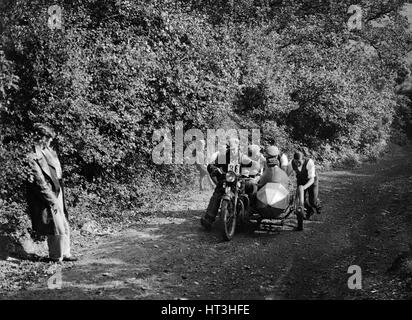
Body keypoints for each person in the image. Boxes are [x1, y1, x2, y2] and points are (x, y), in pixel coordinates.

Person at [26, 123, 77, 263]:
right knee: (55, 224)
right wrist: (51, 197)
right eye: (48, 137)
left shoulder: (48, 151)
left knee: (63, 221)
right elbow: (39, 181)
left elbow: (57, 171)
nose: (50, 140)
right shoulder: (32, 156)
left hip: (58, 189)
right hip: (48, 193)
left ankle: (66, 253)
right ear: (40, 137)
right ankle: (56, 256)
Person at [200, 137, 244, 230]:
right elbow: (213, 164)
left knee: (247, 193)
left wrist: (249, 173)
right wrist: (213, 168)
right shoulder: (224, 156)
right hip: (227, 179)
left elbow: (253, 166)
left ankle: (244, 217)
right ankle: (208, 219)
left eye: (234, 149)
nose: (232, 151)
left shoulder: (242, 157)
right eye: (230, 149)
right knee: (217, 193)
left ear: (238, 147)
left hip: (240, 180)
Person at [290, 151, 322, 219]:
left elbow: (312, 179)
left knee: (312, 201)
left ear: (303, 160)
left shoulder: (309, 162)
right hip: (301, 180)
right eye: (296, 162)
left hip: (312, 180)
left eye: (299, 161)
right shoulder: (292, 163)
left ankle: (317, 204)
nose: (297, 163)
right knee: (301, 200)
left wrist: (303, 188)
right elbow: (287, 174)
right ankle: (309, 211)